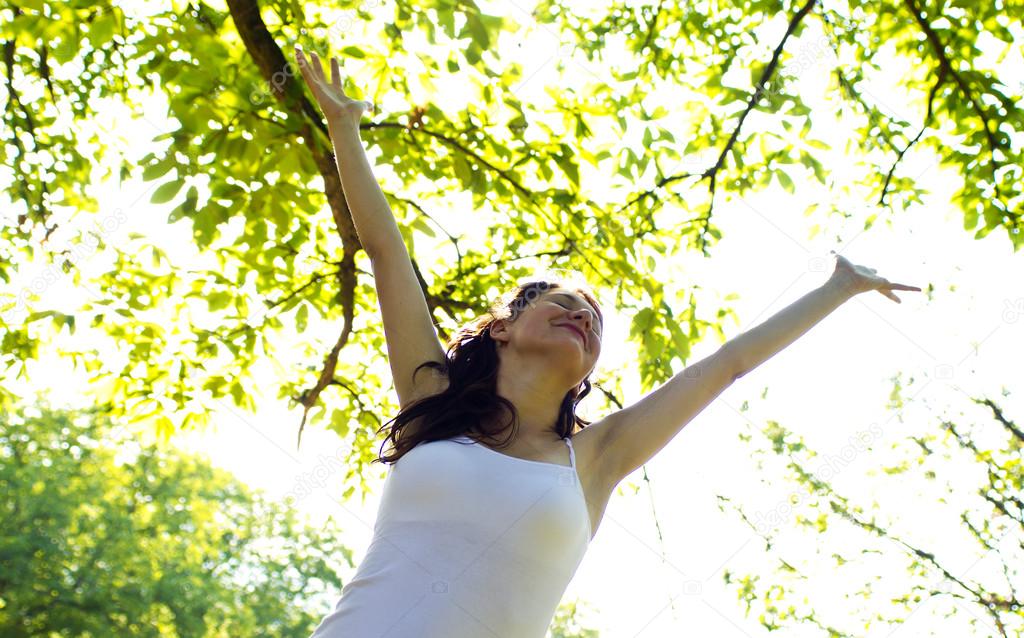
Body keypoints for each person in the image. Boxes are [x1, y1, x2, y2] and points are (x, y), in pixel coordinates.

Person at [293, 46, 922, 638]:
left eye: (595, 319)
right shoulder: (431, 397)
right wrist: (345, 129)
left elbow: (727, 365)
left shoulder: (596, 459)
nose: (583, 315)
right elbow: (386, 252)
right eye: (564, 303)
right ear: (505, 327)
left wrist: (838, 289)